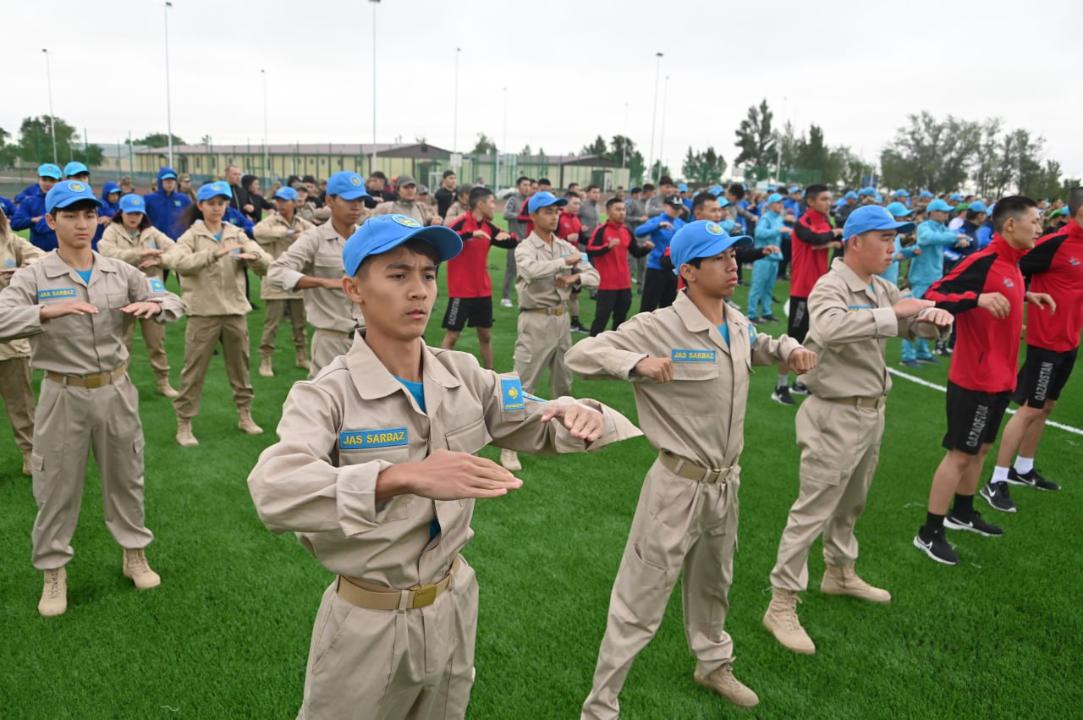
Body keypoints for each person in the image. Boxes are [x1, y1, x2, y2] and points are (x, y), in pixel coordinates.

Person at [246, 213, 638, 719]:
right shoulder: (326, 394)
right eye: (398, 274)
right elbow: (274, 490)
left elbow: (537, 414)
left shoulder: (464, 373)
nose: (419, 291)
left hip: (453, 605)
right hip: (369, 618)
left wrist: (584, 413)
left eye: (428, 275)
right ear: (354, 290)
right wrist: (401, 476)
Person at [570, 219, 817, 717]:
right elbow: (581, 353)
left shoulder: (735, 319)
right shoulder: (659, 325)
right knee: (639, 601)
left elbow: (758, 344)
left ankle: (712, 663)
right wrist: (637, 362)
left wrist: (787, 348)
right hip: (676, 487)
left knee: (714, 585)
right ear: (687, 271)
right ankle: (600, 706)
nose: (733, 265)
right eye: (720, 258)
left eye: (734, 256)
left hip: (725, 485)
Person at [763, 206, 952, 654]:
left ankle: (839, 572)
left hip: (869, 411)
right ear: (855, 242)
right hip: (834, 412)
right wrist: (898, 313)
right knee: (813, 508)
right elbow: (828, 327)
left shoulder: (881, 286)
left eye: (895, 239)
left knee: (852, 502)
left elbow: (907, 324)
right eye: (885, 238)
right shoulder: (832, 286)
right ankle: (781, 602)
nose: (894, 248)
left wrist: (931, 319)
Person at [0, 180, 184, 616]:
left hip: (116, 389)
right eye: (70, 215)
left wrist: (156, 307)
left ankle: (133, 553)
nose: (82, 224)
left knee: (126, 476)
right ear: (50, 221)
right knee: (55, 484)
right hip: (63, 392)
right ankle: (53, 571)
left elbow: (170, 296)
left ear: (99, 218)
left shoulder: (119, 271)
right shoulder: (34, 275)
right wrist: (44, 312)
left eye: (89, 215)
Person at [913, 196, 1055, 565]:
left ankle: (963, 512)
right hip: (974, 377)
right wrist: (976, 298)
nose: (1040, 227)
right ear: (1010, 225)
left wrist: (1027, 296)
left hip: (1000, 376)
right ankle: (929, 532)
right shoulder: (985, 260)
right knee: (960, 453)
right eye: (1035, 221)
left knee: (981, 451)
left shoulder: (1013, 265)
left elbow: (1001, 296)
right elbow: (934, 295)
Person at [980, 188, 1083, 508]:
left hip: (1070, 340)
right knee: (1029, 409)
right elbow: (1005, 265)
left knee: (1046, 407)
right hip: (1046, 341)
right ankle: (996, 479)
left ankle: (1023, 469)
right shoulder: (1055, 242)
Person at [165, 181, 274, 447]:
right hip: (203, 313)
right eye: (212, 203)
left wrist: (255, 259)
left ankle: (245, 415)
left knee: (241, 368)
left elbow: (267, 262)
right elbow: (175, 262)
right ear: (200, 206)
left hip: (235, 311)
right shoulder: (191, 236)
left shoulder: (236, 233)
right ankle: (184, 423)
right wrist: (213, 254)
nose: (217, 208)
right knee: (193, 371)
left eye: (222, 203)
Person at [502, 191, 601, 472]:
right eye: (547, 211)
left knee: (563, 382)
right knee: (522, 385)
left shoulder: (564, 246)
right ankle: (509, 446)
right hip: (535, 320)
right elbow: (530, 270)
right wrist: (564, 263)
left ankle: (565, 438)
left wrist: (575, 276)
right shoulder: (526, 247)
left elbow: (595, 276)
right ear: (533, 216)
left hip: (561, 320)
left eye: (557, 211)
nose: (554, 216)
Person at [267, 172, 369, 378]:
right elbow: (276, 272)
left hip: (370, 339)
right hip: (331, 341)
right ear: (329, 201)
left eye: (360, 200)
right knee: (326, 404)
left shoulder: (368, 238)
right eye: (349, 200)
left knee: (373, 404)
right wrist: (323, 282)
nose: (356, 206)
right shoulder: (315, 238)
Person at [97, 193, 179, 398]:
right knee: (122, 343)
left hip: (150, 294)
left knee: (156, 342)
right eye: (130, 213)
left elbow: (177, 251)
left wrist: (160, 261)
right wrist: (139, 254)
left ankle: (163, 382)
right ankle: (120, 384)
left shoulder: (152, 232)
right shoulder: (112, 231)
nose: (134, 218)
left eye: (138, 214)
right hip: (120, 294)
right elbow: (106, 253)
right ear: (121, 213)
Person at [774, 185, 843, 404]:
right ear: (810, 202)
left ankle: (801, 382)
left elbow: (827, 242)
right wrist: (831, 236)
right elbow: (812, 238)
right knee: (793, 339)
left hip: (820, 289)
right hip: (802, 289)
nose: (828, 203)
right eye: (823, 199)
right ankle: (780, 387)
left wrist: (829, 239)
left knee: (813, 339)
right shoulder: (803, 222)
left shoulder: (825, 222)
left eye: (829, 199)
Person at [441, 186, 518, 369]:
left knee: (485, 336)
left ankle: (489, 374)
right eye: (491, 202)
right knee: (452, 336)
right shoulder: (460, 223)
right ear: (480, 204)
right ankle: (438, 373)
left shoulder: (489, 227)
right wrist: (470, 234)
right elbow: (445, 237)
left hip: (483, 291)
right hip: (460, 291)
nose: (494, 206)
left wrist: (510, 237)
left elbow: (511, 242)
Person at [0, 205, 46, 475]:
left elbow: (41, 257)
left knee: (22, 403)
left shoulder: (11, 240)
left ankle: (30, 453)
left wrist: (20, 271)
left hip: (11, 339)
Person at [900, 198, 971, 367]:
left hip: (934, 279)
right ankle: (907, 355)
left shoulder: (941, 228)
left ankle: (923, 352)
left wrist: (958, 239)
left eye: (947, 212)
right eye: (943, 211)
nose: (946, 214)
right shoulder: (925, 227)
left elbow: (945, 237)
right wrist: (955, 236)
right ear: (932, 212)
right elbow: (926, 239)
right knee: (911, 315)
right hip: (922, 278)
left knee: (930, 315)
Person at [253, 186, 316, 377]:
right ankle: (265, 359)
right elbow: (258, 232)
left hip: (297, 279)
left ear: (294, 202)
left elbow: (316, 235)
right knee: (272, 323)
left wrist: (301, 235)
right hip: (276, 280)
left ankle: (301, 356)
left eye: (284, 201)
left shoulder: (303, 223)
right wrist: (288, 233)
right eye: (277, 201)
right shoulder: (270, 222)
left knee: (299, 323)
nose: (279, 204)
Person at [585, 197, 653, 336]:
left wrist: (646, 248)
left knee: (621, 320)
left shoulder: (626, 231)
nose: (622, 213)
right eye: (618, 209)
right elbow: (590, 250)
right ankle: (590, 348)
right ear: (609, 211)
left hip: (624, 284)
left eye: (623, 210)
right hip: (606, 284)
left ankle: (615, 348)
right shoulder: (601, 230)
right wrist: (607, 247)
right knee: (601, 319)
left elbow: (636, 252)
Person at [636, 195, 686, 312]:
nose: (676, 211)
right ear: (665, 207)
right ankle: (643, 330)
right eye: (673, 207)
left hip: (673, 270)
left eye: (678, 208)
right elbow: (638, 232)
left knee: (669, 307)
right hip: (656, 269)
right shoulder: (657, 221)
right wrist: (658, 226)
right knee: (648, 306)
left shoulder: (681, 224)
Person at [747, 193, 790, 323]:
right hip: (763, 257)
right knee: (757, 286)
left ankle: (767, 312)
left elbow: (781, 234)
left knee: (769, 287)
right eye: (778, 203)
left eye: (782, 203)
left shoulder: (779, 218)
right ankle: (751, 314)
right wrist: (778, 231)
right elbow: (758, 234)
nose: (781, 205)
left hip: (774, 257)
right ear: (771, 205)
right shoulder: (765, 218)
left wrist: (789, 233)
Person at [11, 164, 62, 251]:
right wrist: (33, 220)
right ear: (38, 180)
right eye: (44, 179)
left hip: (63, 253)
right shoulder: (29, 201)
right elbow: (15, 223)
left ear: (59, 182)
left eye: (52, 180)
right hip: (38, 254)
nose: (47, 183)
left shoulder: (65, 201)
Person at [501, 176, 533, 308]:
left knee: (528, 270)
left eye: (529, 185)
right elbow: (505, 214)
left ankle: (525, 296)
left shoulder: (531, 201)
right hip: (515, 241)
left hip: (529, 242)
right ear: (518, 186)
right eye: (524, 185)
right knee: (512, 269)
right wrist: (518, 216)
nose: (527, 187)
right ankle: (505, 297)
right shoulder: (513, 200)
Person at [144, 167, 192, 240]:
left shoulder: (183, 199)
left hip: (178, 241)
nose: (170, 183)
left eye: (172, 180)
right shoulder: (149, 199)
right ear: (160, 182)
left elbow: (192, 217)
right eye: (166, 180)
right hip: (156, 241)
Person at [880, 202, 921, 286]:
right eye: (902, 217)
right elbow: (877, 258)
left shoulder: (896, 235)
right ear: (892, 217)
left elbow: (899, 252)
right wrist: (894, 257)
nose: (906, 219)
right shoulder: (881, 236)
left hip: (891, 281)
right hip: (881, 282)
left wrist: (912, 252)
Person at [373, 175, 441, 225]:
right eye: (406, 187)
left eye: (412, 187)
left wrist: (435, 221)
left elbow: (431, 219)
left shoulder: (421, 207)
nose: (410, 190)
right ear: (398, 190)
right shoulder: (386, 207)